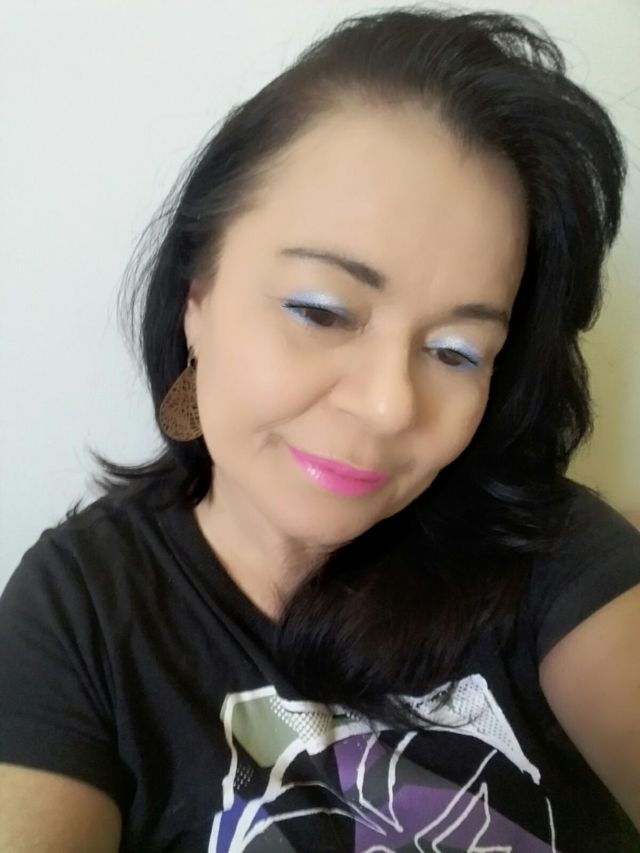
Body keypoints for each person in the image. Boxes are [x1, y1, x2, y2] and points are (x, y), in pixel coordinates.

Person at [1, 7, 639, 852]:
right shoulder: (81, 610)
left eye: (457, 351)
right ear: (197, 295)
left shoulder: (553, 556)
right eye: (321, 310)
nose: (389, 405)